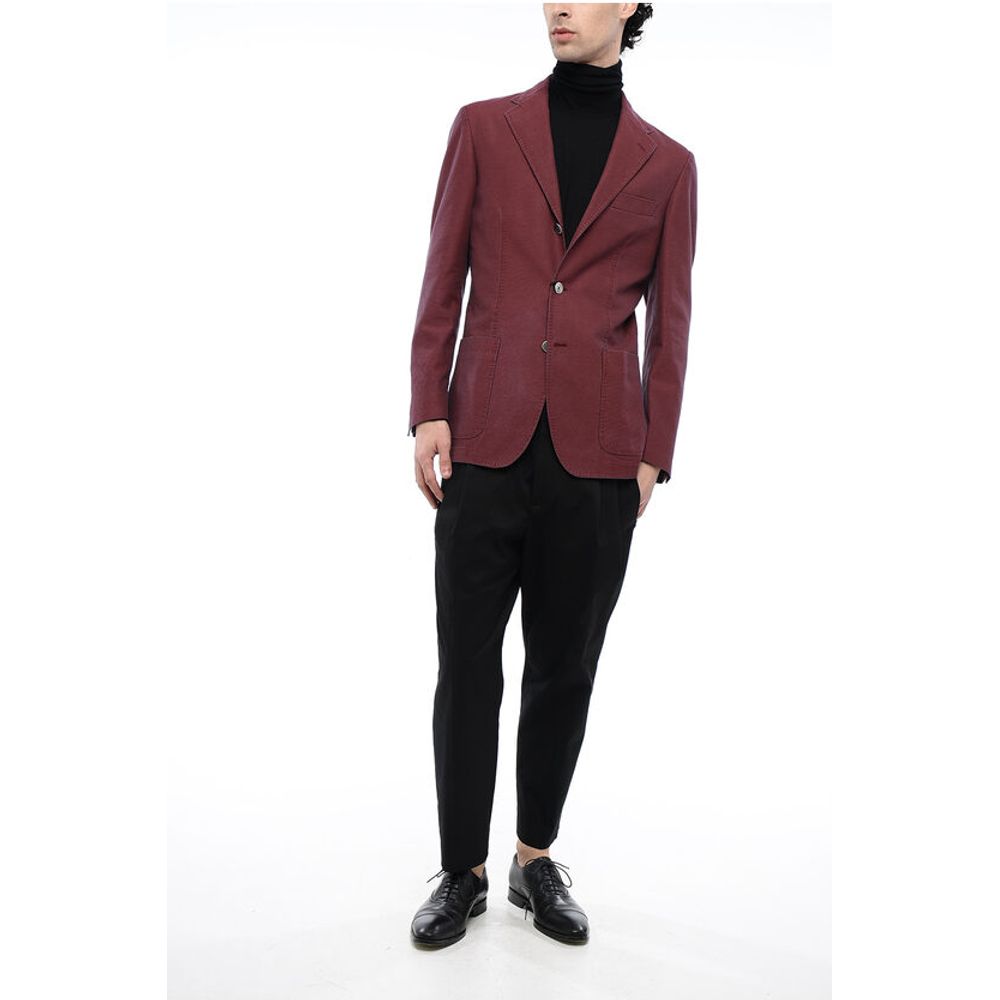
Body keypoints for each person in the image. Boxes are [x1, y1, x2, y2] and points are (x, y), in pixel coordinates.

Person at [408, 2, 697, 948]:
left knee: (566, 667)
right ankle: (461, 870)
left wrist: (654, 451)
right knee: (466, 665)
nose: (558, 5)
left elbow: (673, 320)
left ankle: (534, 859)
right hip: (483, 440)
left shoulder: (669, 166)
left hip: (600, 457)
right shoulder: (483, 128)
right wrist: (428, 405)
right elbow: (442, 274)